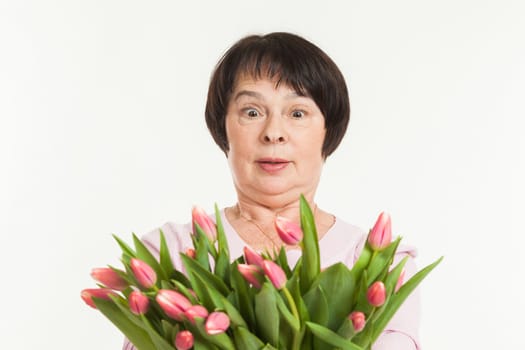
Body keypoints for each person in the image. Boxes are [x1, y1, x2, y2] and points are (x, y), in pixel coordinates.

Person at [123, 32, 420, 350]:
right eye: (252, 112)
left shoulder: (381, 264)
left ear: (328, 131)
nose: (274, 133)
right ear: (222, 127)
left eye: (297, 113)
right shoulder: (170, 252)